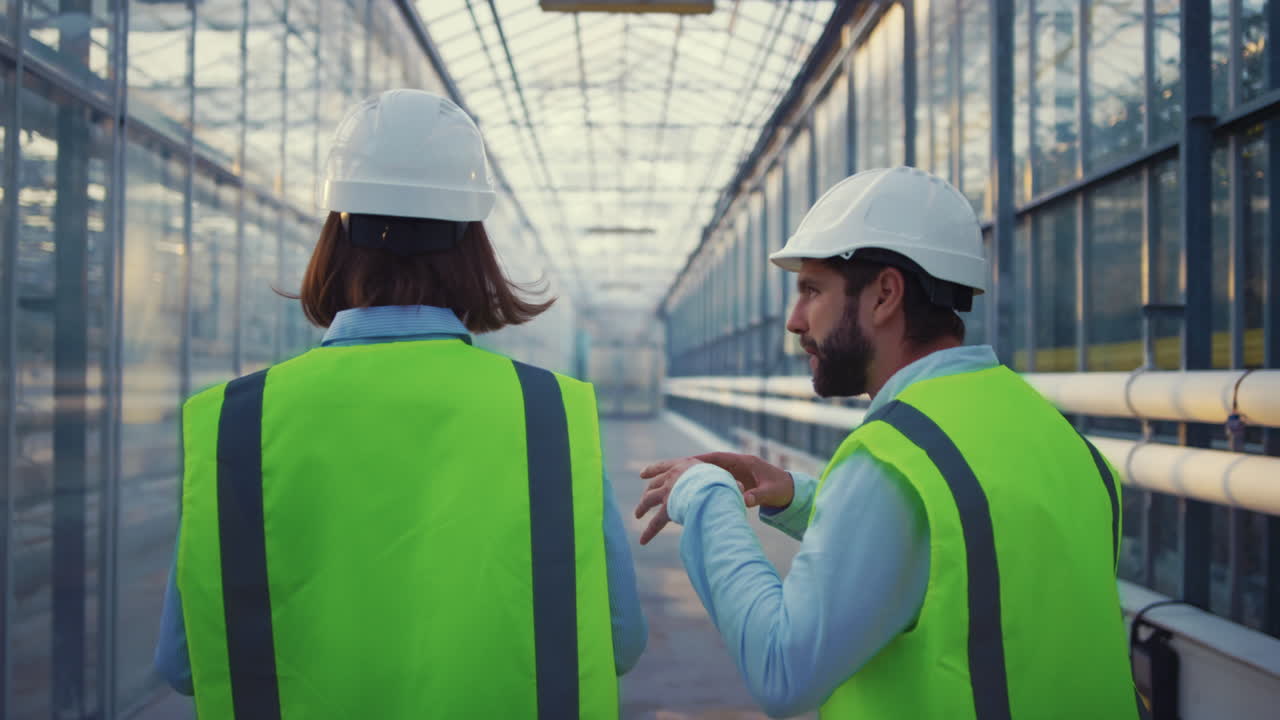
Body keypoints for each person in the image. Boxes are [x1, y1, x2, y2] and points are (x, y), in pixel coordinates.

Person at [154, 89, 645, 718]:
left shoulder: (236, 422)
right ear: (475, 247)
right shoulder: (547, 414)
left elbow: (183, 661)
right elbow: (620, 639)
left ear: (335, 236)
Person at [635, 166, 1138, 719]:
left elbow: (782, 669)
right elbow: (952, 548)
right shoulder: (1055, 434)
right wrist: (799, 499)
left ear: (885, 295)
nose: (794, 321)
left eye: (811, 290)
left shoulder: (894, 456)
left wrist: (707, 499)